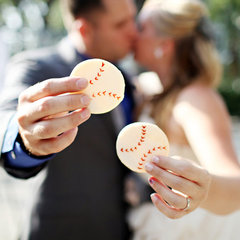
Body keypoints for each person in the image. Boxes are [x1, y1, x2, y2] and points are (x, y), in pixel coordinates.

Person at [0, 0, 138, 239]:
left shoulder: (127, 80)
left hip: (119, 229)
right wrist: (24, 138)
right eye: (120, 24)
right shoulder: (37, 67)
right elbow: (7, 119)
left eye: (132, 19)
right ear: (84, 29)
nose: (134, 31)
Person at [125, 0, 240, 239]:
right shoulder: (151, 87)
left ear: (164, 45)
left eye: (142, 26)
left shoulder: (195, 99)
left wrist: (202, 190)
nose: (133, 32)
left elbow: (235, 185)